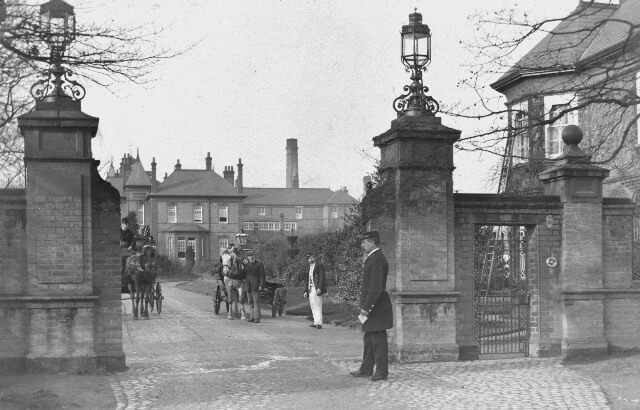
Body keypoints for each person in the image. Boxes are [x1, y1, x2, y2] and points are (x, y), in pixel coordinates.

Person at [350, 231, 393, 382]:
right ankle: (366, 369)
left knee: (378, 340)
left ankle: (381, 372)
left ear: (372, 243)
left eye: (364, 242)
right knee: (368, 339)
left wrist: (367, 307)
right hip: (373, 307)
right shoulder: (373, 258)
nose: (362, 245)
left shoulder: (376, 259)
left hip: (376, 307)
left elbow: (375, 287)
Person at [302, 252, 327, 329]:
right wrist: (305, 291)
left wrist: (319, 288)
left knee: (317, 304)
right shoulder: (309, 268)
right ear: (308, 260)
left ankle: (319, 323)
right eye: (309, 258)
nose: (311, 259)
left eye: (312, 257)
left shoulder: (319, 266)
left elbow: (322, 278)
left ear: (314, 257)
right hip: (310, 288)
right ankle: (316, 322)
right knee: (313, 305)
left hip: (316, 288)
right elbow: (307, 280)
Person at [244, 251, 266, 323]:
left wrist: (261, 285)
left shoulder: (259, 264)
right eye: (249, 256)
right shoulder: (247, 265)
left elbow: (263, 276)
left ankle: (257, 318)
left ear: (254, 256)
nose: (250, 257)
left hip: (256, 286)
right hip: (248, 287)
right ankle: (251, 317)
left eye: (251, 255)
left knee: (256, 302)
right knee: (250, 302)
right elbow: (243, 275)